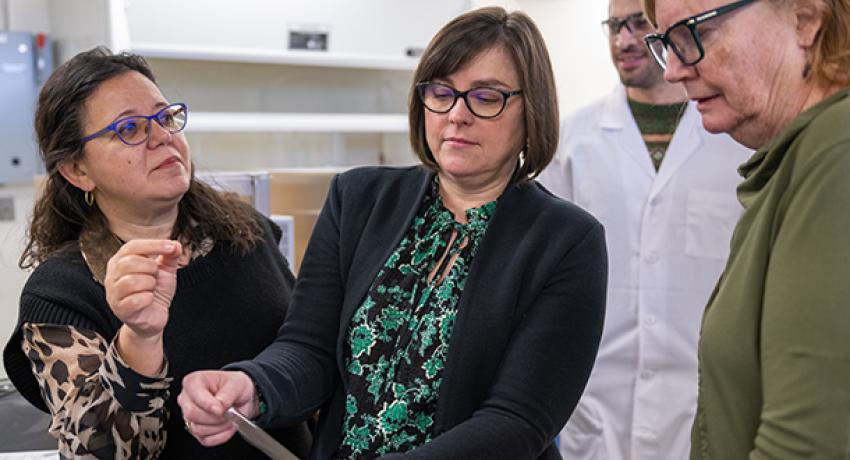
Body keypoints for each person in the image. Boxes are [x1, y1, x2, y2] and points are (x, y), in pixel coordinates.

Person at [178, 7, 608, 460]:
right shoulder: (358, 198)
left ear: (532, 109)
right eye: (441, 92)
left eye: (486, 97)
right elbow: (310, 348)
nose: (457, 115)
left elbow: (518, 421)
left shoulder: (567, 242)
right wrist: (252, 386)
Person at [1, 47, 311, 459]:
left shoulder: (246, 233)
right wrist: (140, 338)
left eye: (165, 117)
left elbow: (308, 357)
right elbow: (99, 453)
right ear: (78, 171)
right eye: (129, 128)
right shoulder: (60, 294)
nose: (163, 136)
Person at [537, 0, 750, 457]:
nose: (624, 40)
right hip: (595, 408)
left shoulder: (737, 140)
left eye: (638, 24)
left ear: (671, 31)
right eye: (613, 26)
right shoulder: (571, 142)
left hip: (701, 402)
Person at [641, 0, 850, 458]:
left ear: (805, 21)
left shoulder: (837, 154)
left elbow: (807, 445)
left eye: (695, 35)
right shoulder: (788, 163)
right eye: (666, 44)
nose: (673, 71)